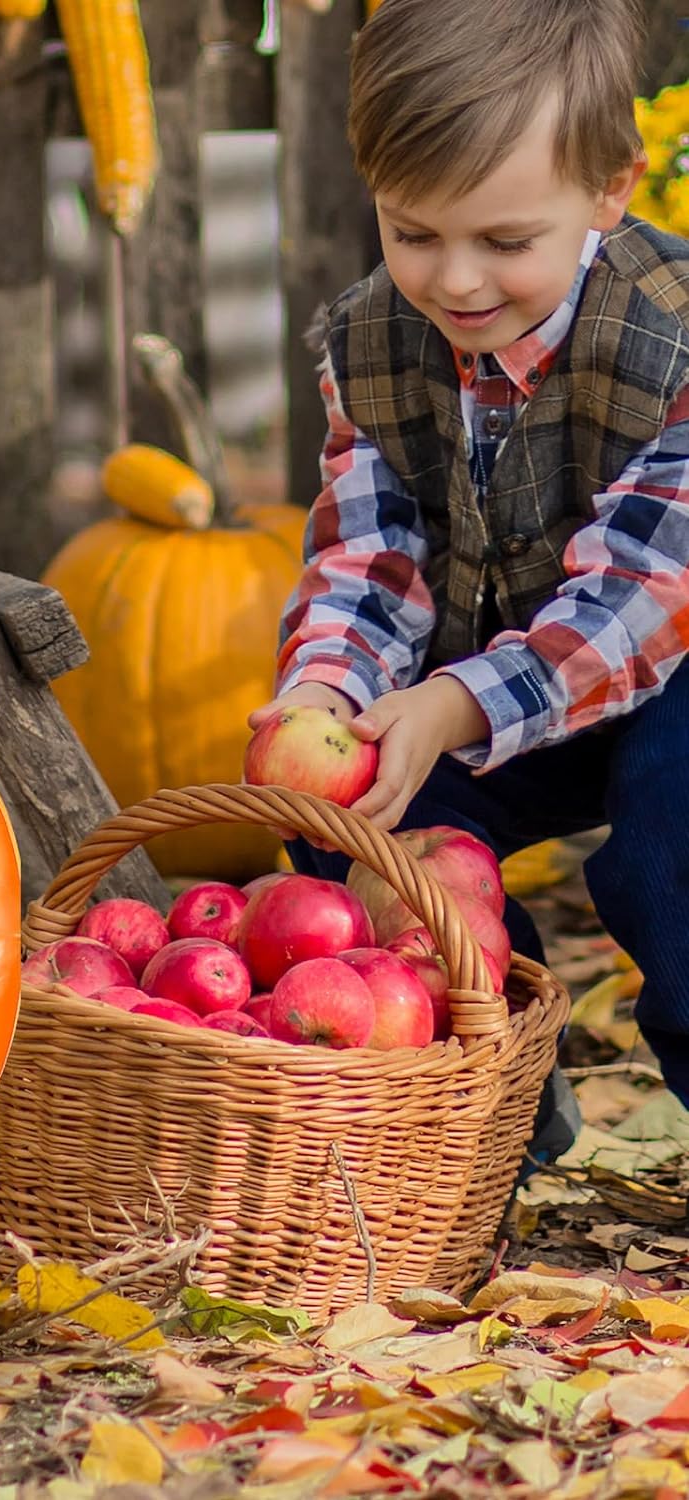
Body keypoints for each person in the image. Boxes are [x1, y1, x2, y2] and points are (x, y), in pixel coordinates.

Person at [252, 0, 689, 1158]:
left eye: (504, 241)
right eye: (412, 231)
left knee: (671, 851)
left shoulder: (678, 339)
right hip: (509, 679)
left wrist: (451, 704)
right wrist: (330, 698)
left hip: (666, 661)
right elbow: (368, 553)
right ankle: (486, 1101)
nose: (454, 279)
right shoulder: (371, 343)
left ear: (609, 190)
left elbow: (642, 598)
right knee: (359, 820)